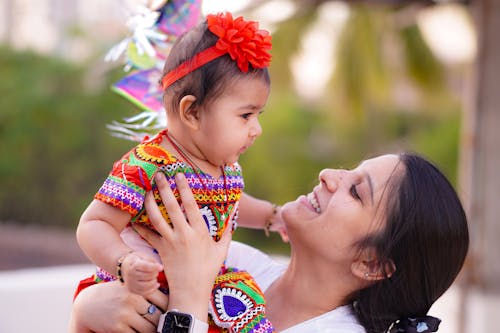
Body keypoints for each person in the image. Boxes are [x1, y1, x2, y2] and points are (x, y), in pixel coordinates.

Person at [70, 152, 469, 333]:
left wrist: (189, 297)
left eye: (355, 192)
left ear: (371, 263)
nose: (330, 174)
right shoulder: (239, 263)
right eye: (349, 170)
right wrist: (86, 313)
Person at [74, 11, 285, 333]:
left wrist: (272, 216)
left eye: (258, 115)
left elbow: (234, 203)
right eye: (246, 116)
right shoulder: (147, 164)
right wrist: (124, 261)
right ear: (192, 112)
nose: (256, 129)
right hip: (146, 288)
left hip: (204, 286)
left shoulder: (224, 167)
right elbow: (95, 223)